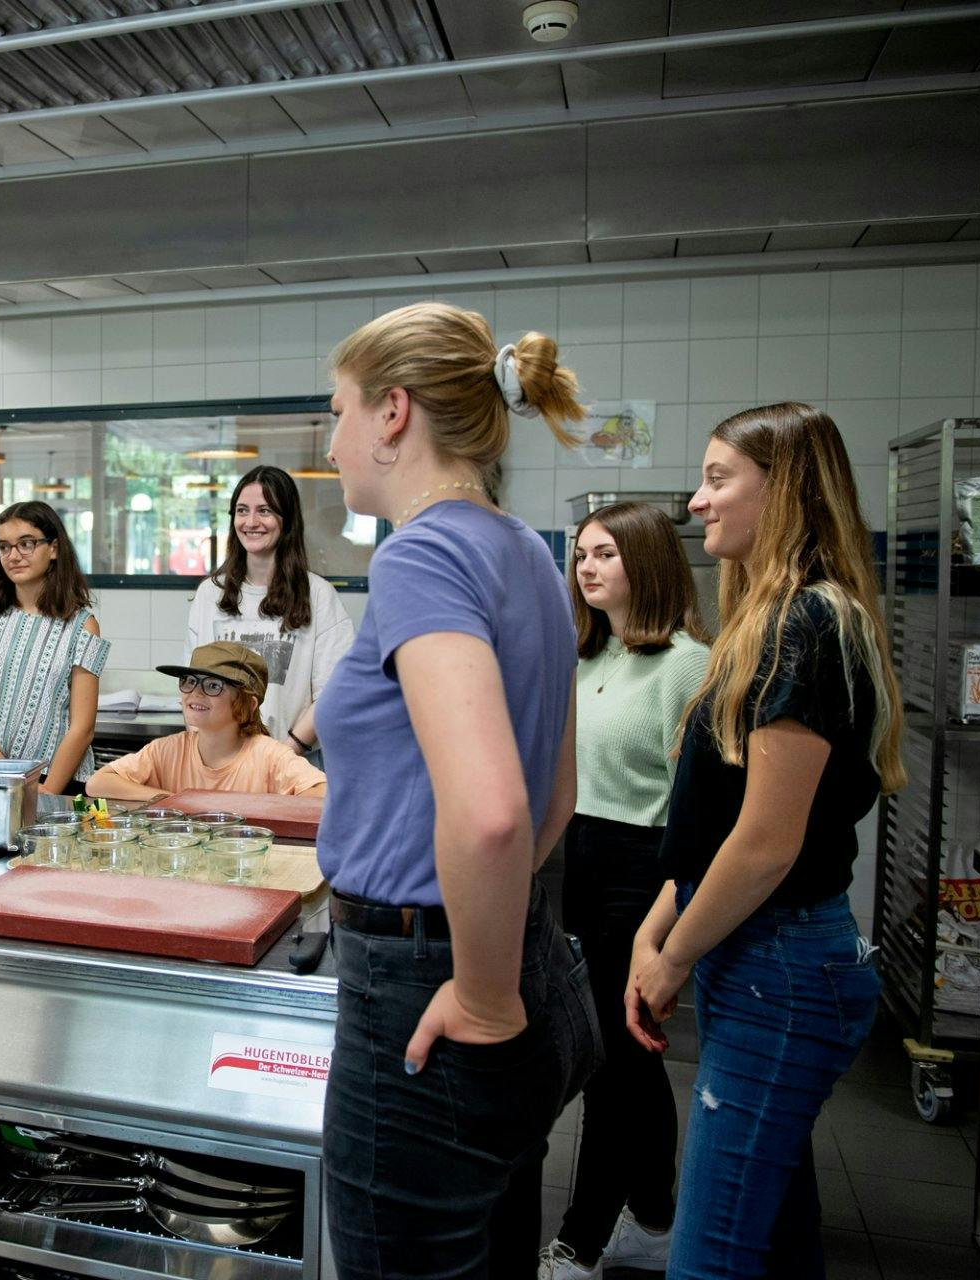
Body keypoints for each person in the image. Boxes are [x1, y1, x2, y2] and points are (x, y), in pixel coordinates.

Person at [313, 302, 599, 1280]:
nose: (333, 436)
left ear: (393, 412)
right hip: (528, 958)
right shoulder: (527, 549)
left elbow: (492, 810)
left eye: (339, 409)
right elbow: (555, 790)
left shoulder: (420, 551)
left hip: (429, 984)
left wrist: (477, 993)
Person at [626, 404, 903, 1279]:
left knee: (710, 1259)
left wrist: (671, 961)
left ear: (783, 491)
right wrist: (655, 927)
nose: (697, 503)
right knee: (776, 1240)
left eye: (718, 479)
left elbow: (766, 844)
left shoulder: (807, 625)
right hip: (759, 952)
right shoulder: (769, 620)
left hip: (783, 965)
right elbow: (712, 823)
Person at [538, 502, 711, 1280]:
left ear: (646, 561)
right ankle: (655, 1215)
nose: (587, 566)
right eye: (581, 554)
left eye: (605, 552)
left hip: (643, 873)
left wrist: (672, 915)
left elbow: (700, 810)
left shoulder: (688, 666)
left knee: (614, 1058)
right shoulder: (582, 656)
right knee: (631, 1061)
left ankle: (581, 1241)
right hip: (572, 862)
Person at [188, 465, 355, 755]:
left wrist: (283, 756)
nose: (251, 521)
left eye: (264, 510)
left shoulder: (318, 596)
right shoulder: (210, 595)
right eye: (242, 510)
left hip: (293, 762)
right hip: (221, 763)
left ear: (286, 520)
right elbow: (194, 686)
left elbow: (334, 691)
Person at [0, 501, 108, 794]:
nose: (14, 555)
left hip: (58, 783)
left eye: (26, 544)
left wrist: (47, 792)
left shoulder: (83, 626)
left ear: (53, 549)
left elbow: (82, 728)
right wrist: (8, 779)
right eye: (4, 547)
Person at [86, 641, 327, 801]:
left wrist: (262, 807)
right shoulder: (168, 750)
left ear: (248, 704)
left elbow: (324, 793)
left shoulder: (269, 756)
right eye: (189, 681)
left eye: (213, 686)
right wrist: (173, 800)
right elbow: (98, 783)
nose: (195, 693)